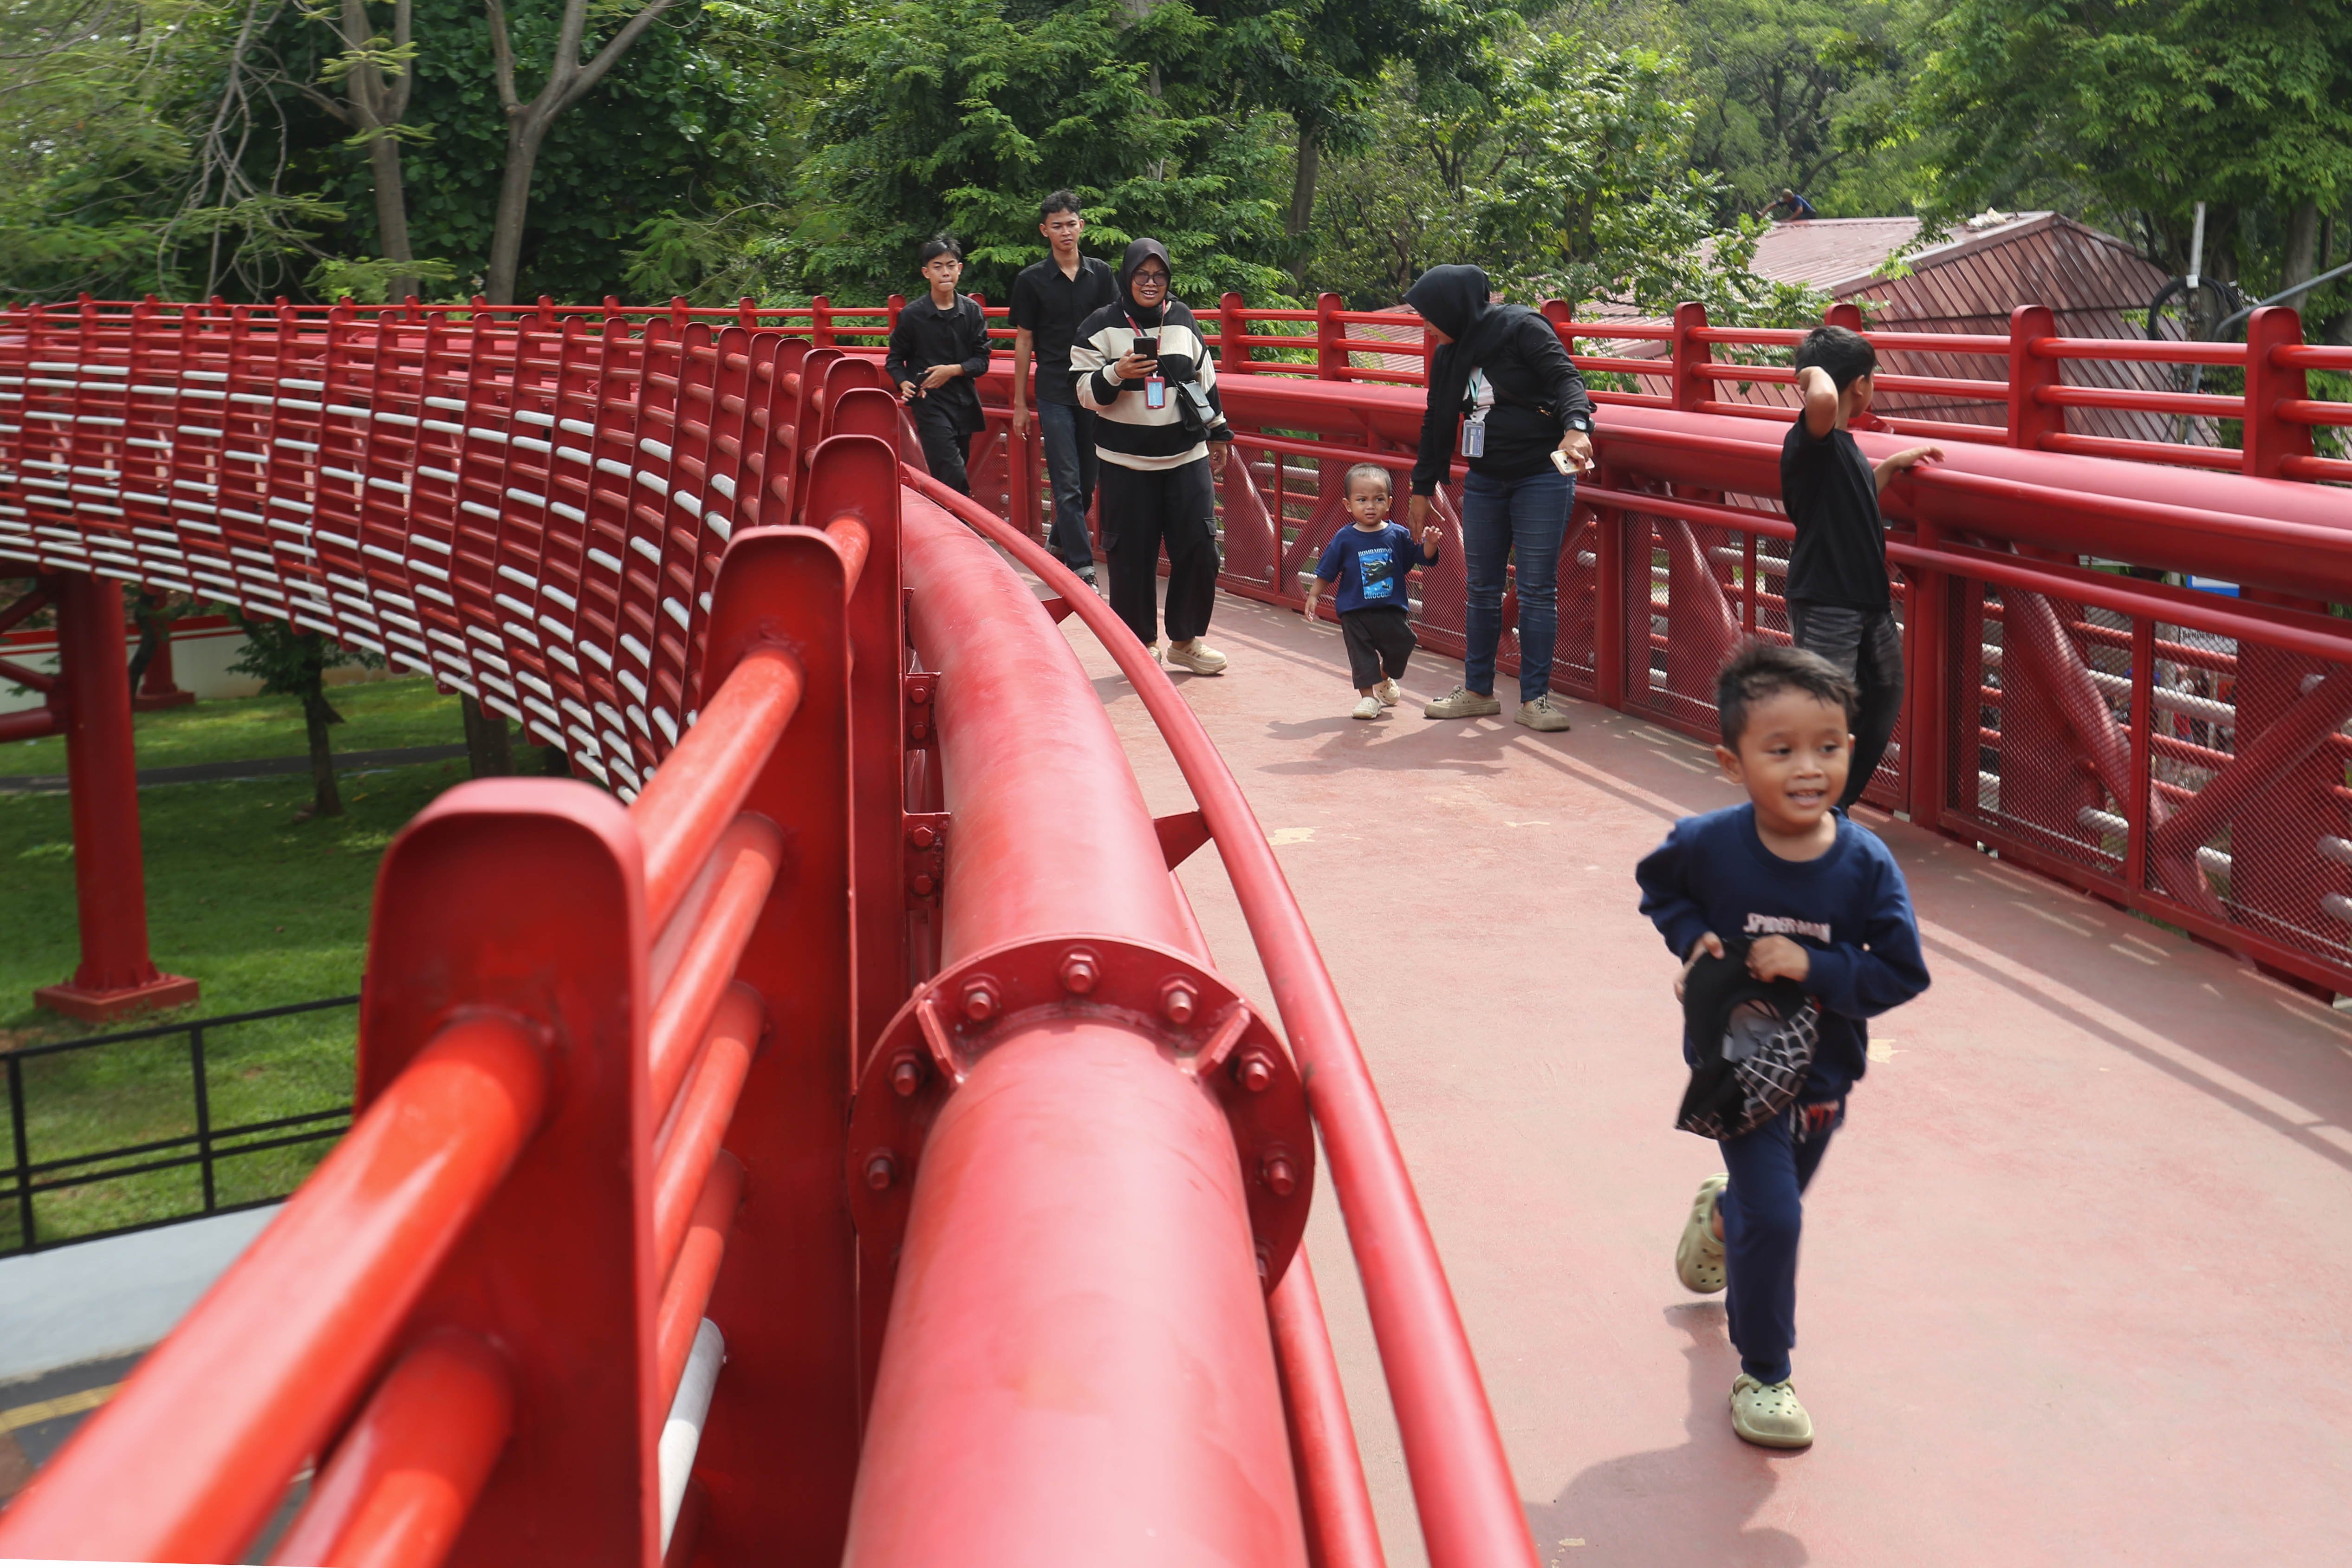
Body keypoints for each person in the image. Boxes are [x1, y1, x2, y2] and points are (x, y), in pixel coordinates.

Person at [1636, 641, 1930, 1449]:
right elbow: (1661, 890)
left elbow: (1901, 971)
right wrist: (1693, 940)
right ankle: (1765, 1372)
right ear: (1732, 762)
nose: (1810, 768)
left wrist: (1820, 966)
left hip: (1825, 1071)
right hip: (1736, 1066)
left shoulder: (1864, 865)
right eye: (1783, 749)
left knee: (1768, 1207)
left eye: (1829, 747)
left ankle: (1722, 1216)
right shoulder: (1707, 842)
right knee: (1782, 1215)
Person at [1403, 264, 1594, 733]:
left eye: (1429, 314)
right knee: (1482, 588)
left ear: (1454, 306)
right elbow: (1435, 421)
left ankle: (1535, 699)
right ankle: (1476, 691)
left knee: (1534, 588)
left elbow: (1566, 379)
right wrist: (1421, 488)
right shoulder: (1448, 356)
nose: (1425, 324)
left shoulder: (1520, 328)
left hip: (1539, 475)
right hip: (1485, 477)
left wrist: (1575, 429)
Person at [1782, 325, 1942, 810]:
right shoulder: (1813, 438)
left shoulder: (1843, 446)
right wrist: (1809, 372)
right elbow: (1824, 401)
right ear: (1859, 385)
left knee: (1885, 688)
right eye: (1871, 376)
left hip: (1863, 596)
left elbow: (1849, 503)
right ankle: (1810, 806)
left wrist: (1889, 467)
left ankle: (1835, 799)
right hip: (1827, 595)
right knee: (1825, 710)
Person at [1070, 238, 1234, 674]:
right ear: (1127, 276)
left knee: (1201, 548)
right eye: (1142, 275)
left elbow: (1206, 377)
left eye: (1159, 275)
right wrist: (1116, 373)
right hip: (1126, 462)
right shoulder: (1098, 326)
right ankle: (1140, 643)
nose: (1150, 283)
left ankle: (1185, 640)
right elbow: (1084, 393)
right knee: (1131, 555)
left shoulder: (1181, 320)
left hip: (1186, 455)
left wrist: (1218, 433)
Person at [1009, 191, 1118, 588]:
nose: (1065, 231)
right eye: (1057, 225)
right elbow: (1023, 341)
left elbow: (1116, 330)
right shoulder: (1031, 281)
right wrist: (1021, 403)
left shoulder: (1103, 275)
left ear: (1082, 226)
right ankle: (1082, 567)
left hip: (1094, 390)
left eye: (1071, 223)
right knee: (1067, 480)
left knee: (1089, 481)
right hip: (1054, 389)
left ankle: (1058, 541)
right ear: (1045, 231)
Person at [1303, 463, 1443, 720]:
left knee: (1404, 644)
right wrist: (1314, 595)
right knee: (1361, 655)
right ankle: (1368, 699)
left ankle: (1384, 676)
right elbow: (1327, 570)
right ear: (1348, 505)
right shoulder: (1344, 538)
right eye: (1362, 500)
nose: (1370, 506)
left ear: (1389, 503)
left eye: (1378, 499)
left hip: (1391, 609)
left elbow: (1421, 556)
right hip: (1354, 611)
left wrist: (1431, 544)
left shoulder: (1398, 534)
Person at [885, 235, 992, 495]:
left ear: (960, 269)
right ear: (926, 272)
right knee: (952, 471)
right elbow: (895, 359)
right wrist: (903, 382)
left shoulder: (972, 312)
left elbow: (982, 360)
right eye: (937, 266)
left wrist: (952, 370)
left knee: (953, 473)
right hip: (929, 403)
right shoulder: (912, 315)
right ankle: (963, 529)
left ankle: (950, 522)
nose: (945, 272)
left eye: (951, 265)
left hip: (964, 402)